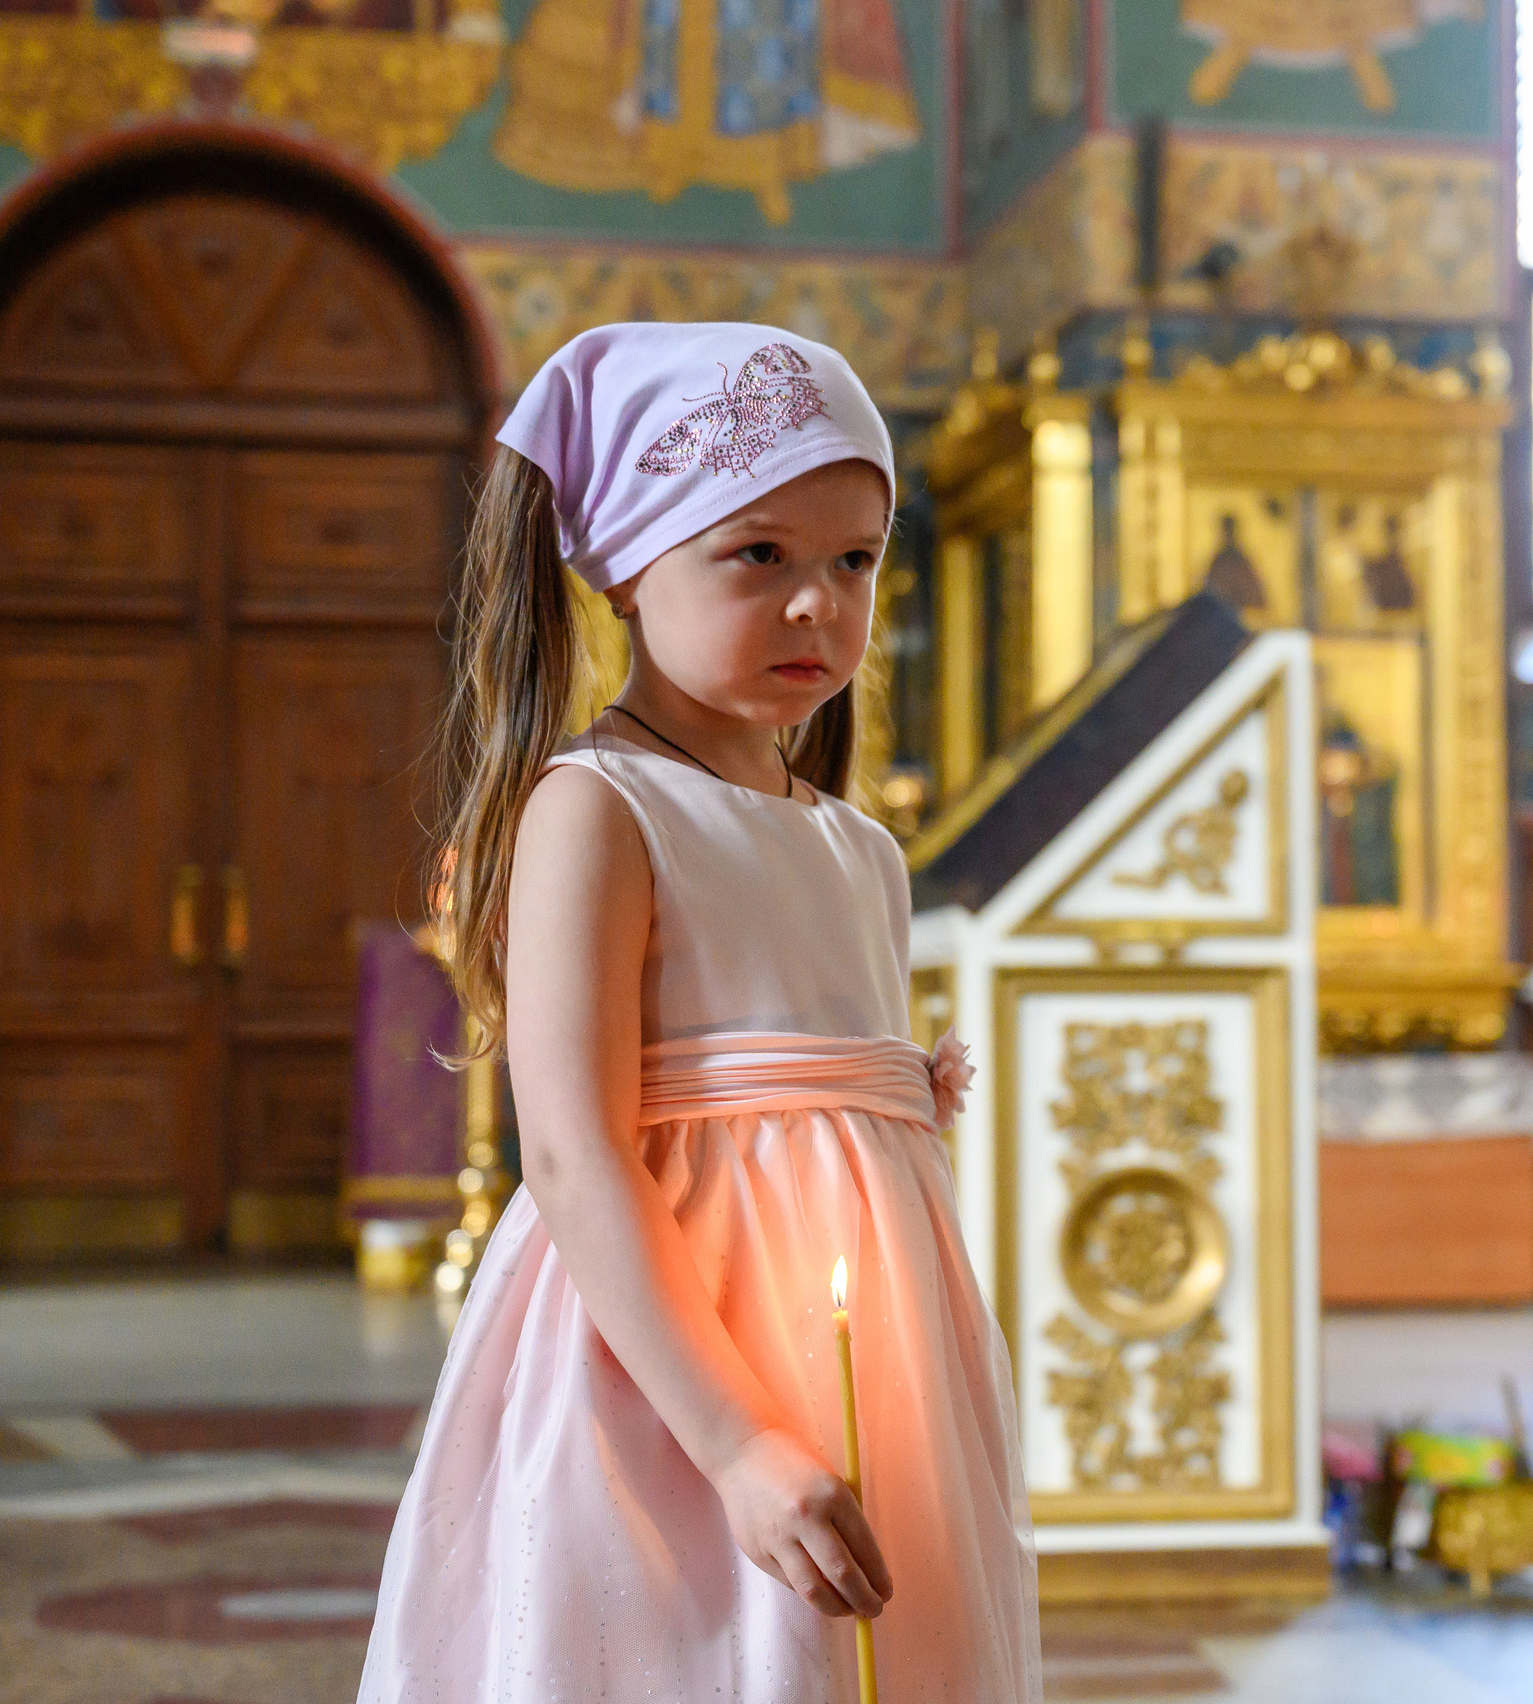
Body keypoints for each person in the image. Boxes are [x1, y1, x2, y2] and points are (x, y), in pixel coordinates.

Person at [356, 324, 1042, 1703]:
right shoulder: (598, 810)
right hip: (665, 1376)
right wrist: (736, 1443)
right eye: (758, 556)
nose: (818, 606)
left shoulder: (861, 850)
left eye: (855, 562)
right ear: (622, 568)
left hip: (873, 1358)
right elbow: (574, 1154)